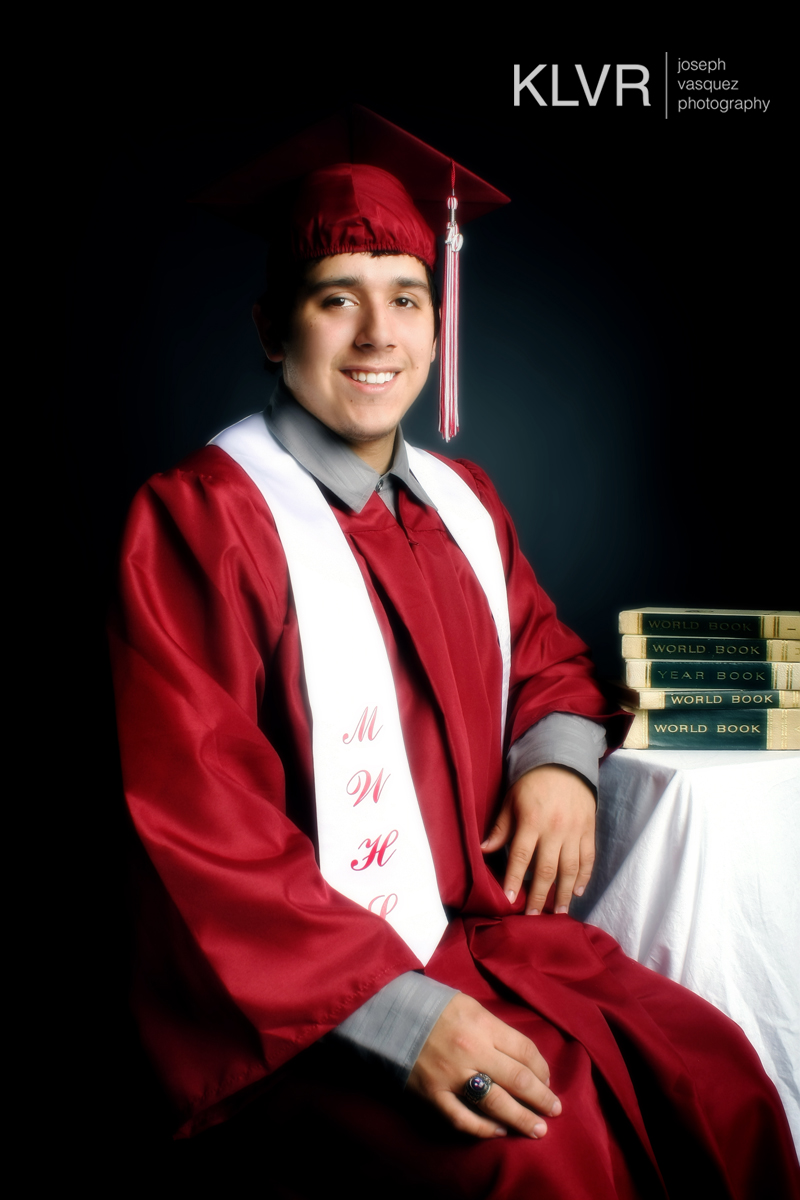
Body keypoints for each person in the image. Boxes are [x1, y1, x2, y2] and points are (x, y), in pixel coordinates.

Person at [109, 108, 799, 1198]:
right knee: (546, 1158)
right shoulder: (201, 521)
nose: (377, 335)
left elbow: (547, 661)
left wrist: (559, 766)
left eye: (406, 297)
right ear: (271, 328)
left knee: (716, 1077)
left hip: (489, 939)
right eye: (337, 298)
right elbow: (196, 831)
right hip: (302, 1007)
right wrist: (397, 1017)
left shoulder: (460, 502)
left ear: (439, 322)